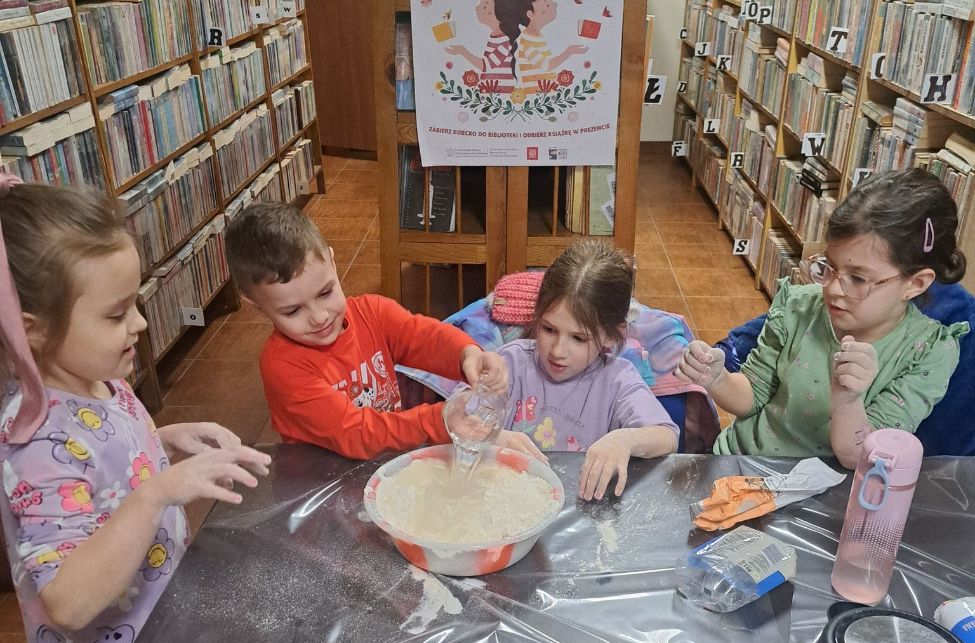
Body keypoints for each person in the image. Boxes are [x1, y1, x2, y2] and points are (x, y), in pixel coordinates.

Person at [0, 178, 271, 643]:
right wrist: (156, 494)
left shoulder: (102, 381)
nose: (142, 324)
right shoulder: (35, 444)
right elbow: (67, 601)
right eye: (116, 314)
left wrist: (166, 439)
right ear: (33, 329)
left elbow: (109, 464)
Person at [676, 168, 970, 467]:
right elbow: (752, 397)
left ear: (915, 283)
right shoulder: (799, 306)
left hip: (824, 492)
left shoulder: (928, 352)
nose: (832, 288)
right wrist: (717, 378)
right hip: (742, 460)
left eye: (857, 278)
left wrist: (847, 399)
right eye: (829, 266)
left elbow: (859, 458)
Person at [224, 202, 507, 458]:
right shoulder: (282, 366)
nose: (320, 317)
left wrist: (466, 354)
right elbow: (354, 432)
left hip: (384, 458)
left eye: (326, 292)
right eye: (293, 311)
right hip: (320, 480)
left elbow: (422, 337)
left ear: (332, 262)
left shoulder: (373, 312)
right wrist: (438, 420)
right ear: (256, 305)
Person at [495, 238, 678, 500]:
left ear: (611, 337)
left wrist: (623, 441)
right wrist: (493, 438)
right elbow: (455, 416)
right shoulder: (511, 363)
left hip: (582, 512)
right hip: (506, 504)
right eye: (548, 329)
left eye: (579, 339)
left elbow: (667, 435)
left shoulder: (617, 380)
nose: (557, 350)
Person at [444, 0, 523, 95]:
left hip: (500, 93)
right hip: (491, 92)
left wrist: (463, 52)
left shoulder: (505, 42)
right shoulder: (495, 37)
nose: (477, 8)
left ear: (501, 11)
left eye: (484, 5)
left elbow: (486, 66)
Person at [514, 0, 587, 93]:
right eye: (547, 4)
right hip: (536, 94)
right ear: (530, 14)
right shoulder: (526, 42)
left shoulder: (535, 37)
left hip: (545, 92)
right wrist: (569, 52)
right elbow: (546, 65)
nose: (555, 5)